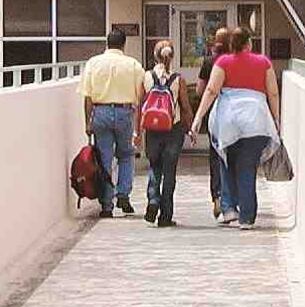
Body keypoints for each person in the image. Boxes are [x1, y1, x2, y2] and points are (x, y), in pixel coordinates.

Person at [190, 26, 279, 229]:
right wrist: (276, 118)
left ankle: (229, 209)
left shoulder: (223, 62)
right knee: (247, 168)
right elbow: (273, 93)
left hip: (228, 121)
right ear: (249, 43)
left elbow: (211, 90)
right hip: (256, 121)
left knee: (226, 161)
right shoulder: (263, 62)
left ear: (231, 45)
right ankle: (247, 217)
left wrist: (198, 119)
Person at [79, 28, 145, 218]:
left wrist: (87, 122)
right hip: (124, 111)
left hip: (100, 112)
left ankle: (106, 204)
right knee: (126, 154)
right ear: (124, 44)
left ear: (107, 43)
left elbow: (88, 97)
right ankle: (123, 193)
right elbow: (140, 96)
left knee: (104, 158)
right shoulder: (133, 64)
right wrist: (138, 126)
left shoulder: (94, 63)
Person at [140, 40, 193, 228]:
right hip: (173, 129)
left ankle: (153, 199)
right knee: (169, 173)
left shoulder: (146, 77)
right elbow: (185, 107)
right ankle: (165, 216)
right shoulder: (178, 79)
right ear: (172, 57)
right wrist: (191, 128)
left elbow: (141, 106)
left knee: (154, 166)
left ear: (155, 56)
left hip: (153, 130)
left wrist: (138, 132)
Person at [198, 26, 230, 218]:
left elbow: (201, 91)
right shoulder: (235, 61)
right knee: (232, 155)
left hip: (214, 114)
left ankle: (217, 196)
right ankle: (229, 199)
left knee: (215, 155)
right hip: (234, 112)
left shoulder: (209, 62)